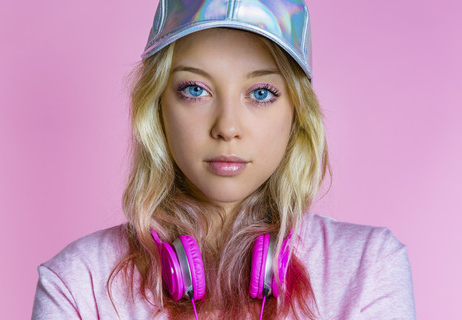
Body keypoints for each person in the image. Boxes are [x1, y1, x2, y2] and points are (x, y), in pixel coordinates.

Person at [31, 1, 416, 319]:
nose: (227, 127)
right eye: (195, 89)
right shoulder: (75, 281)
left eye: (261, 93)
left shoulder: (370, 266)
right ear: (158, 108)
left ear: (297, 113)